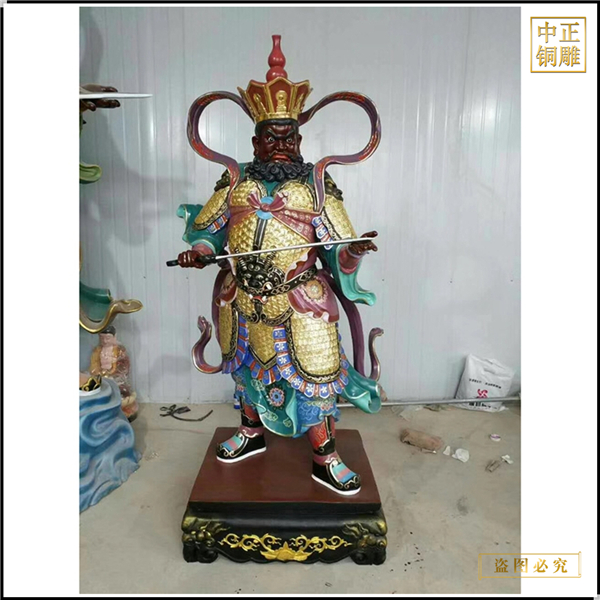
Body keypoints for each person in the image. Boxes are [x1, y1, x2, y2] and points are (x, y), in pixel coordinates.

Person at [176, 36, 383, 495]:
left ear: (300, 139)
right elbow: (209, 231)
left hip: (301, 300)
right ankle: (251, 433)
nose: (282, 144)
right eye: (273, 137)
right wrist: (201, 252)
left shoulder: (316, 184)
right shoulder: (234, 181)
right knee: (246, 371)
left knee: (314, 379)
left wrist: (353, 252)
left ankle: (325, 457)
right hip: (241, 296)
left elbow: (338, 247)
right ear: (256, 140)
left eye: (290, 137)